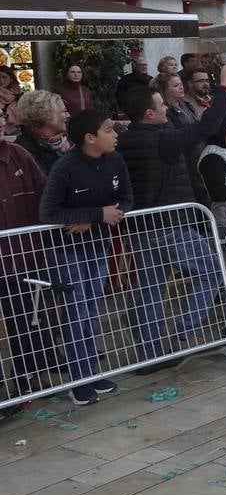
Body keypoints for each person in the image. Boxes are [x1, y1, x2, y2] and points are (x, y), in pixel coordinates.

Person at [119, 70, 226, 365]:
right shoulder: (162, 140)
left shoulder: (123, 141)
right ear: (148, 113)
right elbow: (205, 127)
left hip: (140, 228)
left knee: (149, 290)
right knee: (212, 270)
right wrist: (223, 88)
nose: (167, 109)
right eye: (161, 106)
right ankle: (184, 331)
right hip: (170, 225)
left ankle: (150, 354)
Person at [38, 109, 133, 405]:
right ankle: (79, 380)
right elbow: (49, 213)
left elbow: (127, 198)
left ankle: (90, 371)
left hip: (98, 244)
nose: (115, 135)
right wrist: (95, 214)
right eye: (108, 130)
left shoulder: (115, 160)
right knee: (77, 310)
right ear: (90, 138)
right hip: (67, 250)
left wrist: (97, 218)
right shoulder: (65, 167)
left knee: (92, 309)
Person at [0, 137, 52, 416]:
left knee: (24, 321)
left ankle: (25, 380)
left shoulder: (18, 154)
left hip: (20, 257)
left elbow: (45, 191)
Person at [13, 90, 70, 172]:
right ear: (46, 115)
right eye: (64, 111)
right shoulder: (24, 150)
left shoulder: (71, 140)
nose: (68, 115)